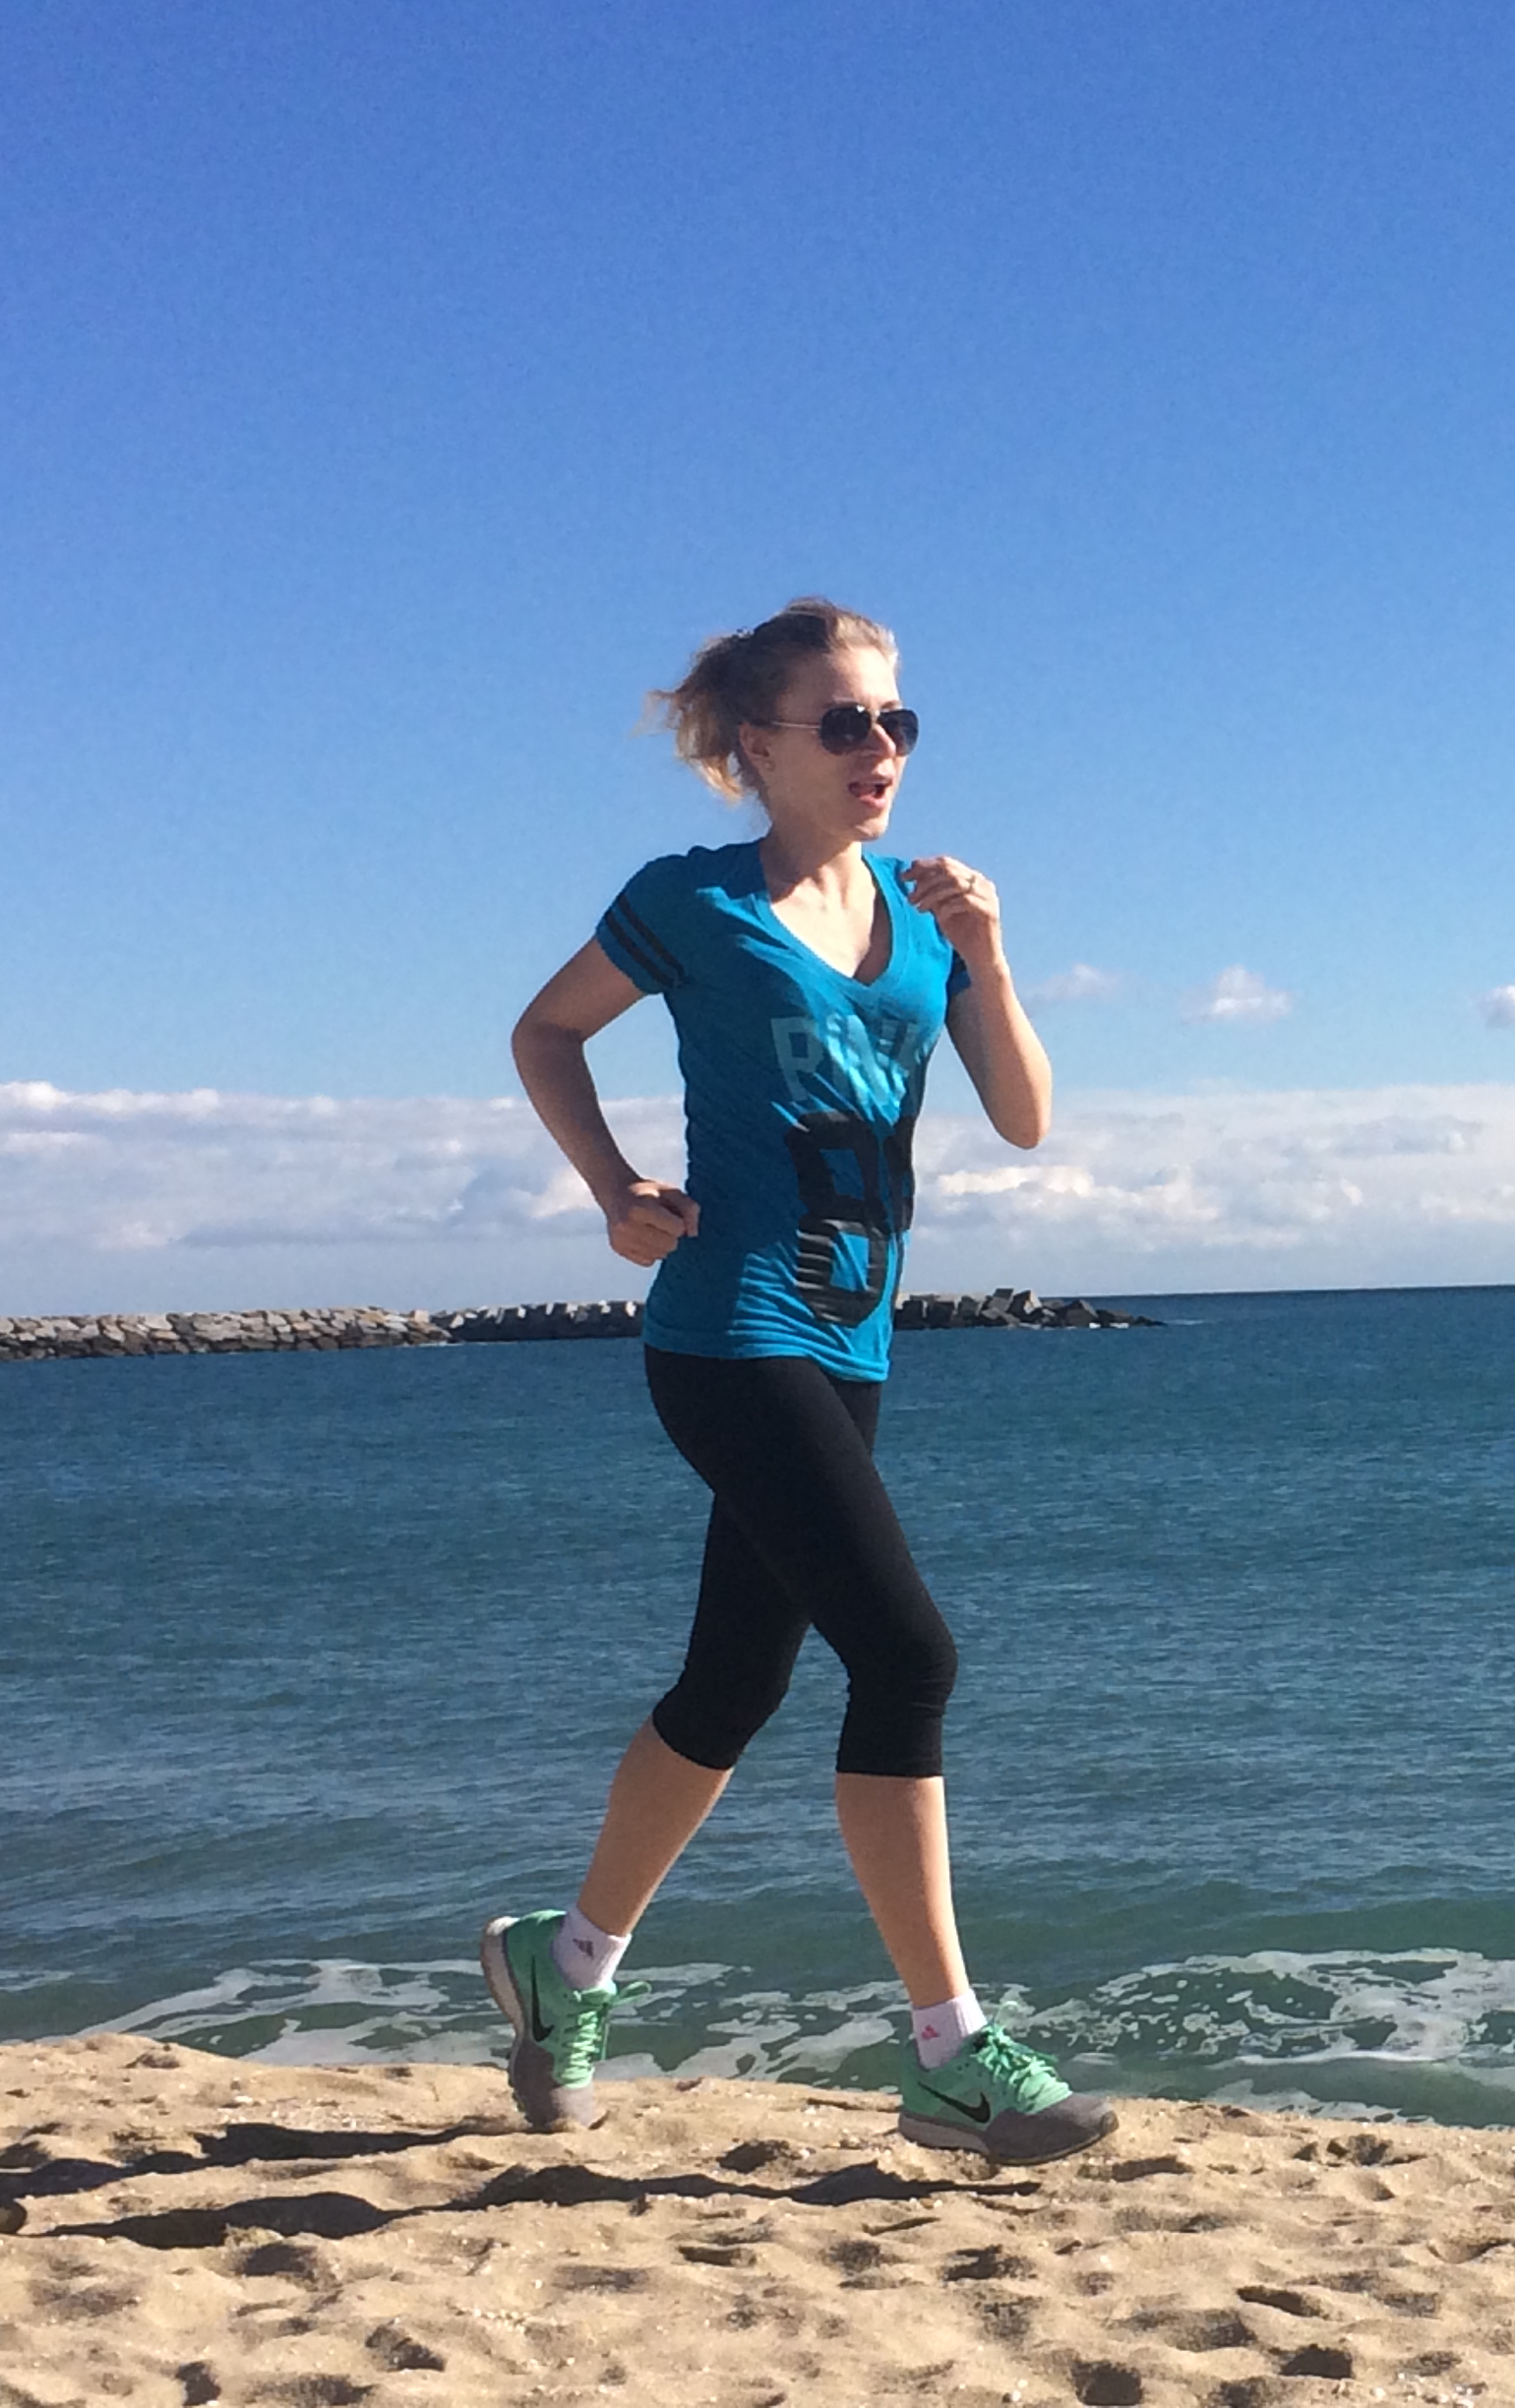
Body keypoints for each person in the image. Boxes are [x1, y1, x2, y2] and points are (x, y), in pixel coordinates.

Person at [482, 597, 1111, 2165]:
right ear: (757, 748)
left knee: (732, 1687)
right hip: (727, 1331)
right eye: (843, 723)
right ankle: (951, 2051)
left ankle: (564, 1969)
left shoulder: (925, 915)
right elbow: (547, 1033)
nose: (878, 748)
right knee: (907, 1656)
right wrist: (613, 1189)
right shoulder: (691, 903)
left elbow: (1024, 1114)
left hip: (854, 1341)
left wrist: (988, 953)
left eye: (896, 721)